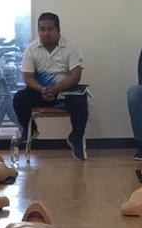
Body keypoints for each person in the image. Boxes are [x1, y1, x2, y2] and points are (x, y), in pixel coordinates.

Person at [13, 12, 89, 160]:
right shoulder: (31, 48)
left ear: (58, 30)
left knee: (80, 102)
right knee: (19, 98)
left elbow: (75, 75)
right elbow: (28, 77)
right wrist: (42, 89)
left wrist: (56, 89)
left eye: (50, 29)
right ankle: (31, 130)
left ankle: (75, 138)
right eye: (42, 29)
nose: (46, 33)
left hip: (65, 92)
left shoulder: (71, 47)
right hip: (40, 92)